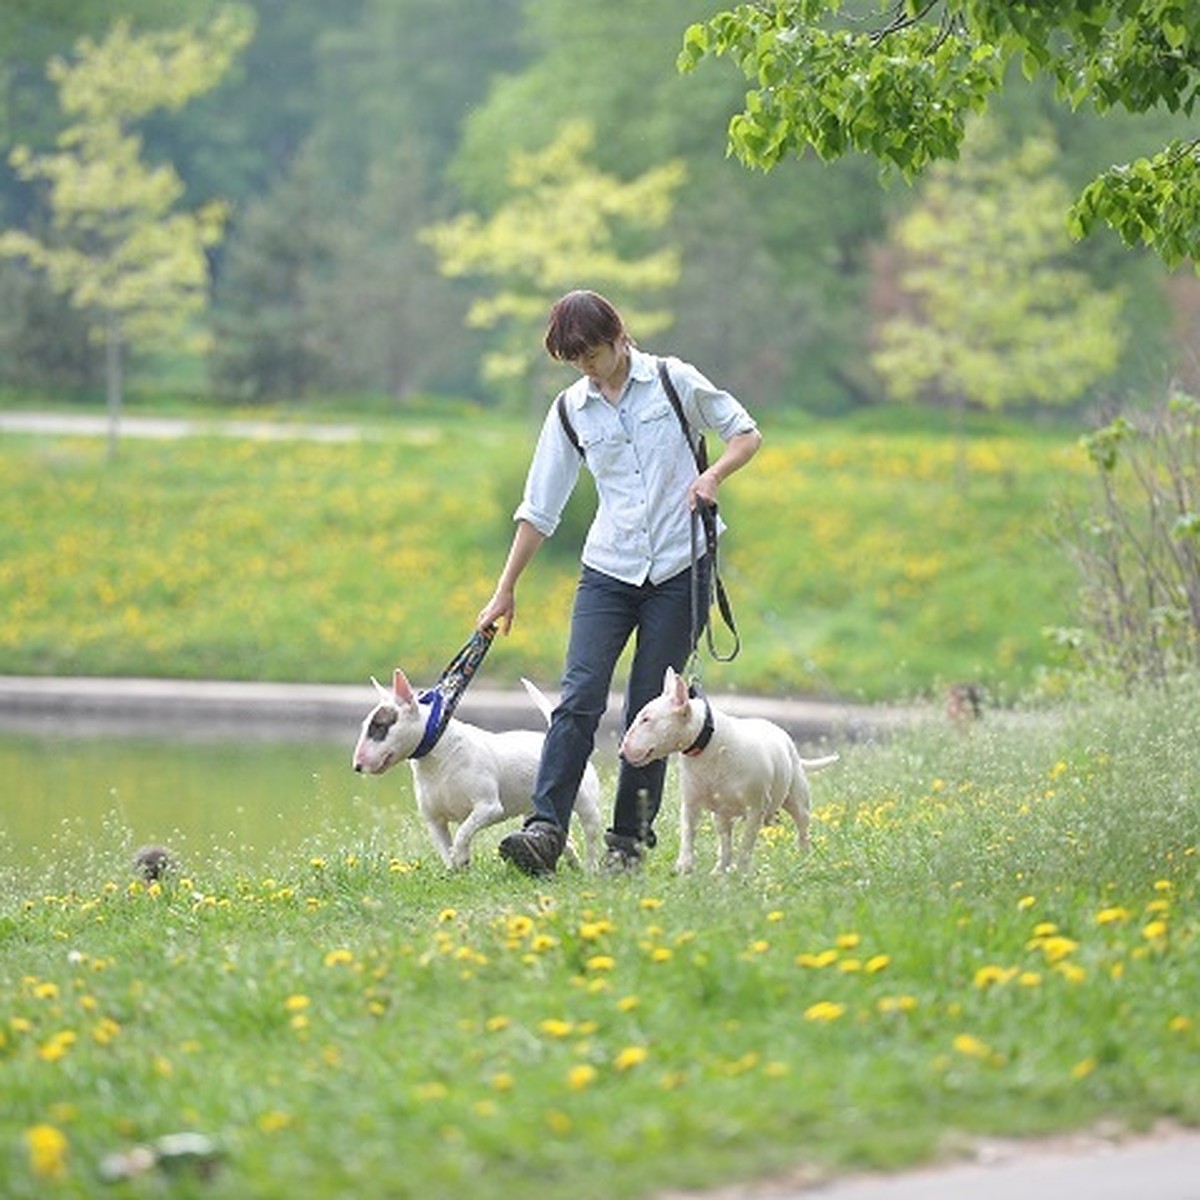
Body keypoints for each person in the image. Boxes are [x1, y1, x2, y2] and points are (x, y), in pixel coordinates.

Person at [476, 289, 762, 876]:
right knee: (578, 696)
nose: (585, 365)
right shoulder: (570, 410)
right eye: (572, 357)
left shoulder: (672, 380)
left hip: (682, 568)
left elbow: (746, 433)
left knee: (649, 709)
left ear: (618, 337)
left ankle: (628, 843)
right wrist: (505, 589)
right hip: (608, 569)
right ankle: (545, 830)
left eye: (592, 352)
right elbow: (539, 507)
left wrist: (712, 475)